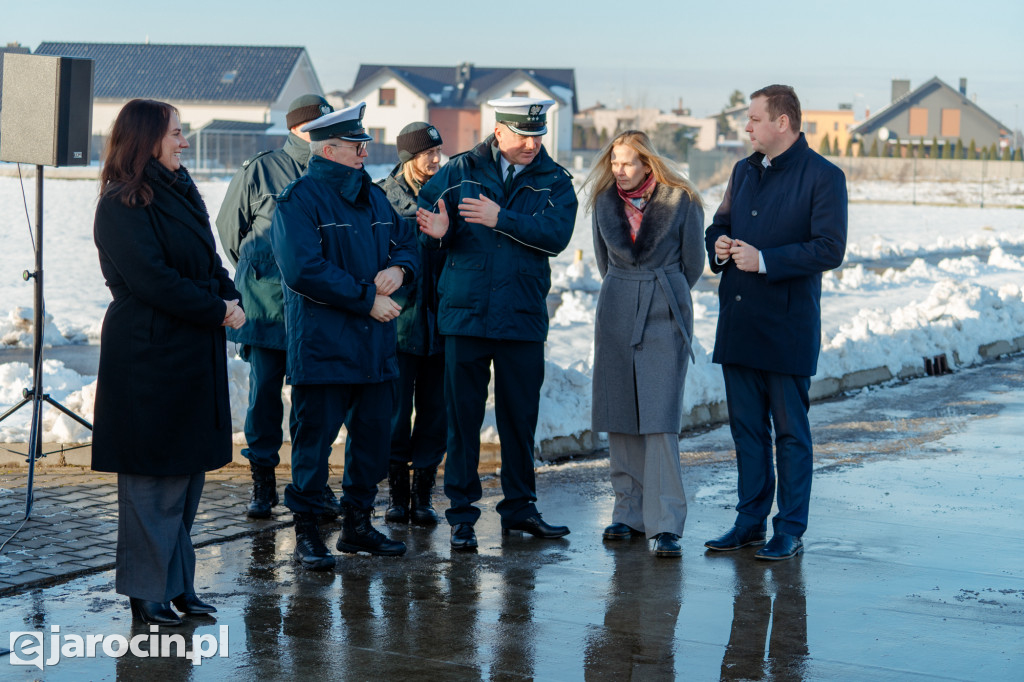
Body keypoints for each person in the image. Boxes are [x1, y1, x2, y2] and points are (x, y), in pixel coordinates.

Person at [92, 99, 245, 624]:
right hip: (148, 356)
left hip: (189, 351)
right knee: (151, 483)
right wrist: (216, 309)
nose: (184, 142)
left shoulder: (180, 189)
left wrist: (232, 298)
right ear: (147, 139)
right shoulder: (120, 203)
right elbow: (153, 280)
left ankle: (177, 585)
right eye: (176, 133)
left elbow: (208, 259)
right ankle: (145, 591)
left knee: (185, 480)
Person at [416, 97, 577, 551]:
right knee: (462, 420)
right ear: (499, 131)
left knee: (519, 419)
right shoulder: (459, 170)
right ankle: (463, 516)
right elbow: (422, 223)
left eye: (538, 134)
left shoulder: (554, 181)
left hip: (521, 317)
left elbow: (556, 236)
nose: (532, 143)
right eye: (523, 134)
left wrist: (501, 218)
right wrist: (441, 233)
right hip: (465, 314)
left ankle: (520, 508)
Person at [270, 102, 418, 570]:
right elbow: (302, 269)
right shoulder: (299, 199)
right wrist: (365, 298)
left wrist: (401, 268)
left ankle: (357, 526)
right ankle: (308, 531)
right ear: (330, 149)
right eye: (357, 146)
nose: (365, 152)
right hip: (324, 346)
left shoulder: (374, 197)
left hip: (373, 349)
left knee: (372, 440)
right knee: (313, 442)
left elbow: (406, 241)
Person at [703, 85, 848, 561]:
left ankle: (789, 528)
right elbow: (719, 223)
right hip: (740, 321)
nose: (747, 127)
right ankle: (749, 521)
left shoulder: (824, 176)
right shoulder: (743, 170)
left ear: (782, 122)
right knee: (746, 430)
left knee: (790, 432)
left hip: (787, 326)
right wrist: (721, 245)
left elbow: (830, 247)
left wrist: (765, 259)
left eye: (754, 119)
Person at [216, 94, 340, 520]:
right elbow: (231, 232)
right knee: (265, 394)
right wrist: (261, 272)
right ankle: (262, 481)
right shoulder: (260, 170)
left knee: (314, 401)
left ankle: (312, 483)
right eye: (317, 127)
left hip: (319, 305)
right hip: (267, 307)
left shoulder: (334, 170)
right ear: (297, 129)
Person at [585, 130, 705, 558]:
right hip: (617, 305)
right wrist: (626, 291)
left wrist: (662, 293)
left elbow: (694, 262)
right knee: (620, 413)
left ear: (647, 164)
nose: (619, 169)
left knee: (659, 419)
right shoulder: (602, 201)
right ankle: (627, 512)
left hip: (663, 306)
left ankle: (666, 523)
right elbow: (604, 261)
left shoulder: (680, 200)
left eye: (628, 162)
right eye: (614, 162)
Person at [376, 122, 447, 526]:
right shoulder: (383, 199)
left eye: (439, 152)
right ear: (408, 157)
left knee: (435, 412)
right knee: (396, 413)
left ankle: (424, 494)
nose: (435, 160)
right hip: (399, 326)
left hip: (440, 324)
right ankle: (397, 494)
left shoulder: (447, 194)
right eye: (427, 154)